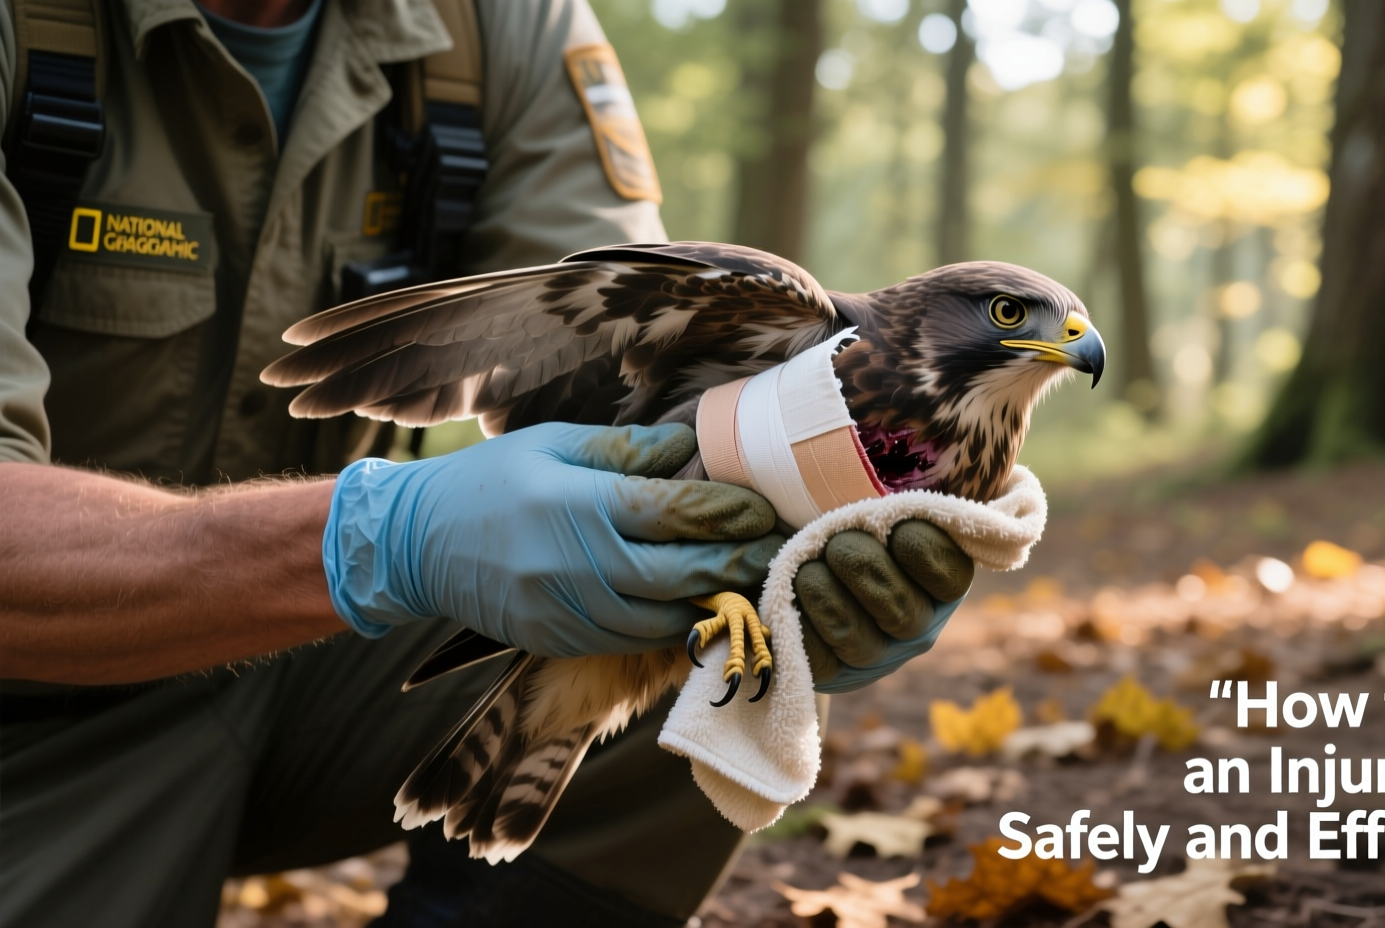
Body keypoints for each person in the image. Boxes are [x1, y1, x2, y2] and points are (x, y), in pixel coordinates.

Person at [0, 0, 974, 924]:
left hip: (293, 657)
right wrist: (382, 536)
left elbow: (638, 376)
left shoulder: (495, 25)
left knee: (712, 632)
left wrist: (807, 529)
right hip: (31, 706)